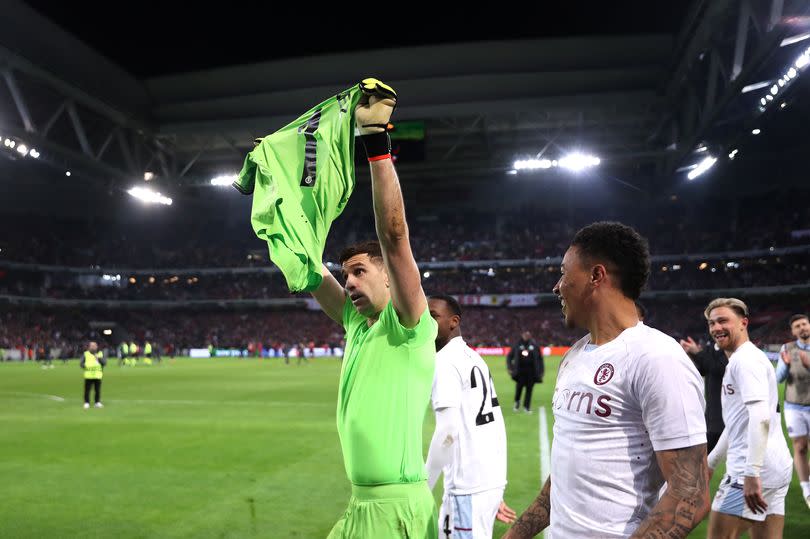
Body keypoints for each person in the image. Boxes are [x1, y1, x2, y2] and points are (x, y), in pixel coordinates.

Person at [505, 221, 709, 539]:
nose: (557, 287)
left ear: (596, 276)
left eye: (563, 272)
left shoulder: (657, 357)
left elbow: (690, 495)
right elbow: (563, 477)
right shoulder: (574, 356)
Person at [308, 79, 438, 538]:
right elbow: (309, 269)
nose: (350, 282)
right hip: (360, 505)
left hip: (394, 508)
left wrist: (377, 147)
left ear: (388, 275)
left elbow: (395, 235)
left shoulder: (406, 325)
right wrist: (281, 188)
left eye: (360, 272)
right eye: (347, 275)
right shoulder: (356, 324)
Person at [425, 294, 516, 538]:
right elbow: (491, 425)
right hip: (486, 484)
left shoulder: (445, 362)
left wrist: (424, 488)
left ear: (454, 322)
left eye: (433, 316)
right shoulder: (473, 357)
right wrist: (491, 488)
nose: (425, 321)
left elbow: (447, 431)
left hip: (467, 488)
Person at [704, 298, 793, 538]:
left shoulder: (744, 361)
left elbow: (760, 417)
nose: (716, 328)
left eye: (723, 320)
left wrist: (751, 473)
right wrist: (712, 462)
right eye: (712, 323)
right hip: (776, 466)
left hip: (750, 472)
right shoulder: (749, 358)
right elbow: (738, 422)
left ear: (744, 323)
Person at [776, 313, 810, 509]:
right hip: (794, 406)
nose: (802, 328)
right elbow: (777, 378)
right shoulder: (787, 348)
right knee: (800, 447)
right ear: (793, 331)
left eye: (804, 324)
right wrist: (787, 365)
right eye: (797, 326)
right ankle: (807, 489)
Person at [680, 334, 728, 452]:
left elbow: (717, 367)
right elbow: (702, 369)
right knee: (701, 462)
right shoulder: (710, 348)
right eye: (712, 322)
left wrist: (697, 353)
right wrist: (690, 354)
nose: (716, 328)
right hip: (711, 418)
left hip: (723, 419)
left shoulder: (731, 351)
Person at [505, 331, 543, 413]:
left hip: (531, 372)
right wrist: (510, 367)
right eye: (525, 334)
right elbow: (509, 357)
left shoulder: (534, 345)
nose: (526, 336)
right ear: (522, 335)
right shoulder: (517, 345)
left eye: (528, 335)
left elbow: (540, 359)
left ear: (530, 336)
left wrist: (541, 371)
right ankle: (517, 402)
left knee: (529, 390)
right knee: (519, 388)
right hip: (520, 372)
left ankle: (527, 407)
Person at [80, 341, 106, 409]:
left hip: (97, 375)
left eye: (94, 346)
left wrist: (99, 358)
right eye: (92, 346)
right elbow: (81, 364)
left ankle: (97, 402)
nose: (93, 347)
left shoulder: (100, 354)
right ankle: (86, 402)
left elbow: (104, 363)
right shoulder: (86, 354)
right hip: (88, 375)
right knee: (87, 390)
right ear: (89, 347)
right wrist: (85, 366)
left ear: (97, 347)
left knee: (97, 390)